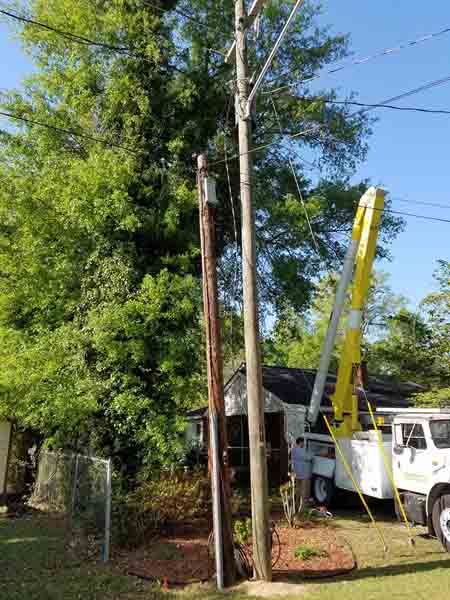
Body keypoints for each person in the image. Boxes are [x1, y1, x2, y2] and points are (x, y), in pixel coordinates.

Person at [291, 437, 313, 507]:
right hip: (304, 473)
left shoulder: (293, 449)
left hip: (297, 473)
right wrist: (312, 454)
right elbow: (308, 457)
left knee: (298, 490)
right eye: (303, 442)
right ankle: (303, 506)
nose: (304, 444)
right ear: (300, 442)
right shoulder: (300, 450)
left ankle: (297, 505)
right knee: (304, 490)